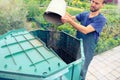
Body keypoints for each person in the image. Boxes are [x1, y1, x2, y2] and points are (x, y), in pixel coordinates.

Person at [61, 0, 107, 80]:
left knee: (82, 69)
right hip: (78, 44)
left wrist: (70, 21)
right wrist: (62, 11)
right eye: (92, 1)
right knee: (75, 66)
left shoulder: (101, 19)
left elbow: (85, 30)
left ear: (102, 5)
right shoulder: (85, 14)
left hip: (87, 48)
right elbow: (72, 18)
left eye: (96, 3)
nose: (93, 4)